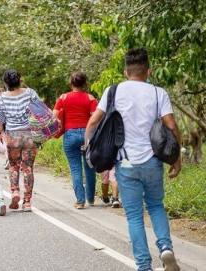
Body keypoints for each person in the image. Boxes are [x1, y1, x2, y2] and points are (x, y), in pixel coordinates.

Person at [85, 48, 181, 271]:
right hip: (153, 162)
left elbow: (92, 123)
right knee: (156, 206)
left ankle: (144, 266)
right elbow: (172, 126)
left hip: (125, 163)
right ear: (148, 71)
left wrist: (90, 152)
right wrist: (176, 159)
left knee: (134, 216)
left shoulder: (113, 91)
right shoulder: (158, 93)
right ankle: (166, 248)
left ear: (125, 72)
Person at [52, 71, 98, 209]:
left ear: (71, 83)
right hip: (87, 135)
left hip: (70, 135)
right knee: (90, 166)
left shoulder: (63, 98)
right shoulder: (90, 98)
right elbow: (96, 118)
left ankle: (80, 201)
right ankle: (90, 198)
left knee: (75, 168)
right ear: (84, 84)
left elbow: (54, 117)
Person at [0, 69, 39, 212]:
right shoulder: (30, 93)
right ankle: (27, 202)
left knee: (14, 165)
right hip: (29, 135)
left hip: (13, 136)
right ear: (20, 79)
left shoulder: (2, 98)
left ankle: (14, 191)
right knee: (28, 168)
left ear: (5, 83)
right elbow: (40, 111)